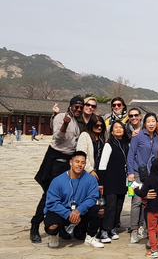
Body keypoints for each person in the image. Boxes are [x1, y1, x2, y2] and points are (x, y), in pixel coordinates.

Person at [30, 96, 84, 243]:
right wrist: (65, 124)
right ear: (71, 106)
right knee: (49, 194)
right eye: (76, 107)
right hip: (56, 160)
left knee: (65, 195)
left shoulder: (76, 121)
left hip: (69, 161)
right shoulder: (61, 117)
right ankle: (35, 224)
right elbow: (57, 136)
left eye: (81, 107)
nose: (78, 109)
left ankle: (60, 227)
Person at [43, 151, 104, 248]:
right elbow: (52, 203)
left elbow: (92, 198)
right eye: (77, 161)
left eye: (83, 162)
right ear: (71, 162)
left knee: (100, 210)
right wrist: (68, 214)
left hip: (80, 212)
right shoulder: (57, 180)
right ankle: (54, 235)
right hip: (62, 212)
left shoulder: (91, 179)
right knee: (52, 227)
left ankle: (90, 237)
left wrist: (79, 210)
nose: (80, 165)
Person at [127, 113, 158, 243]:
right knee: (137, 201)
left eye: (153, 121)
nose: (151, 124)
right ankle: (134, 230)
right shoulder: (138, 136)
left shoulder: (157, 137)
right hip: (137, 172)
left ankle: (142, 226)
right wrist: (130, 172)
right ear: (144, 123)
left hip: (151, 174)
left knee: (148, 201)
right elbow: (130, 155)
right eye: (148, 121)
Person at [97, 120, 129, 242]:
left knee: (118, 206)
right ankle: (104, 230)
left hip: (121, 180)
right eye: (116, 128)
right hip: (110, 180)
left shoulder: (126, 144)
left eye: (121, 127)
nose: (118, 129)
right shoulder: (108, 144)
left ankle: (112, 228)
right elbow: (102, 165)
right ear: (112, 130)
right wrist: (101, 183)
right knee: (110, 206)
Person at [133, 158, 158, 258]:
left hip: (153, 208)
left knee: (151, 230)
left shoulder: (149, 179)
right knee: (155, 223)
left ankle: (154, 250)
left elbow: (143, 193)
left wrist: (135, 189)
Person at [76, 115, 107, 181]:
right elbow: (82, 155)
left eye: (101, 126)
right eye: (97, 125)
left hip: (99, 172)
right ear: (91, 125)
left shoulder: (102, 138)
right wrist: (90, 170)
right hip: (86, 172)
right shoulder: (85, 135)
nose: (99, 128)